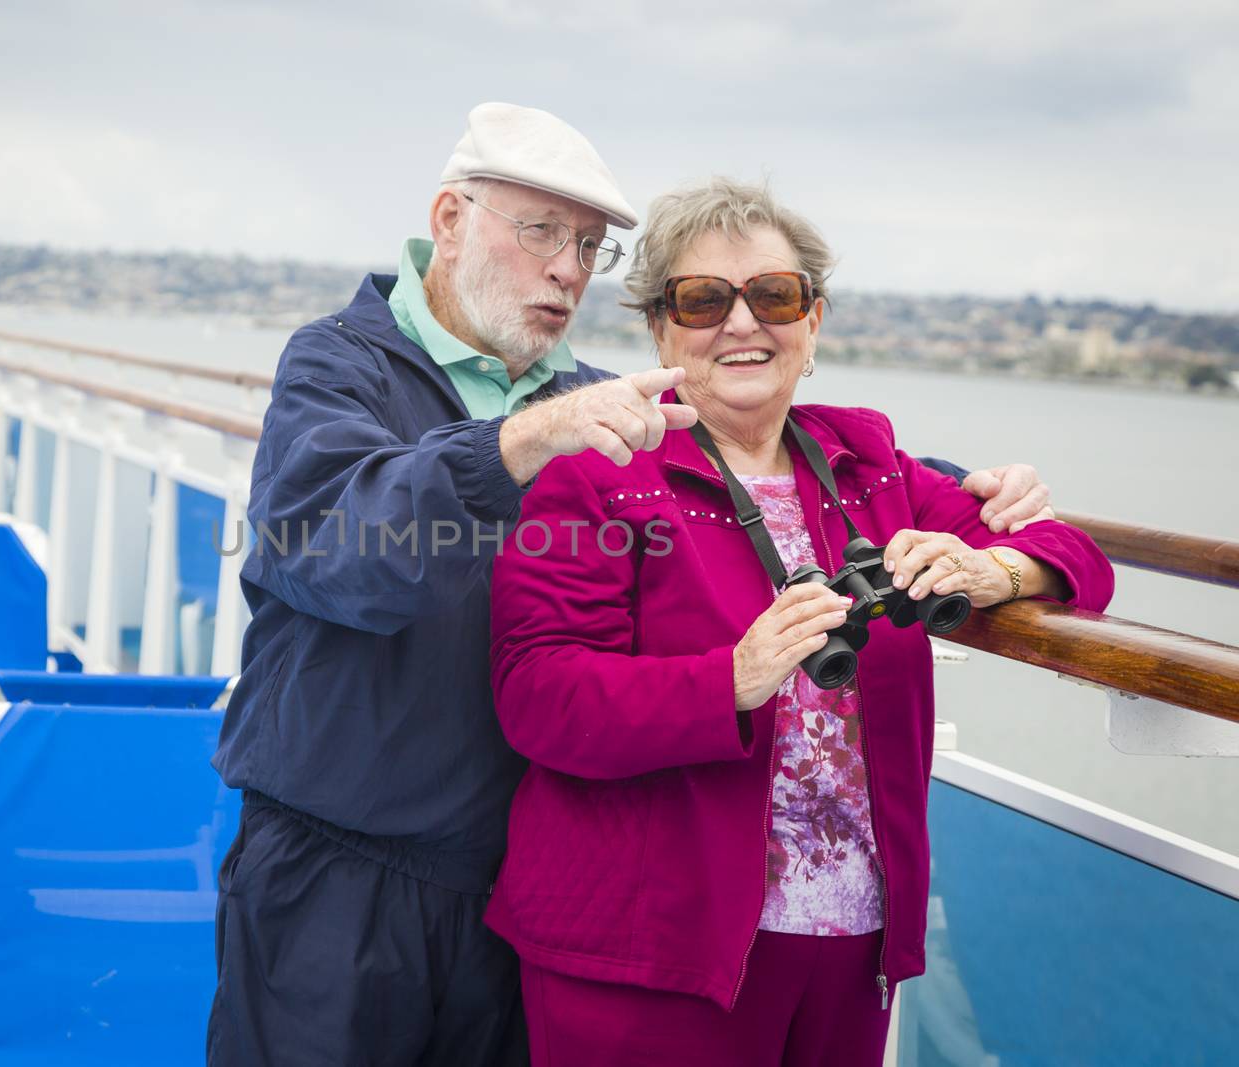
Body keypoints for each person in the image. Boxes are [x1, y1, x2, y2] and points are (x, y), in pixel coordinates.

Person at [207, 105, 1056, 1067]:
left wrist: (979, 495)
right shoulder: (341, 366)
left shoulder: (606, 405)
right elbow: (327, 547)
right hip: (342, 864)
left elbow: (781, 460)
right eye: (541, 233)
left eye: (590, 245)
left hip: (508, 881)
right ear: (449, 220)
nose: (567, 267)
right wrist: (520, 442)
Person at [484, 176, 1116, 1067]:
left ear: (812, 323)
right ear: (661, 331)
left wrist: (993, 569)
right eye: (704, 300)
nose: (742, 324)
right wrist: (730, 678)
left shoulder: (869, 467)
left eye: (773, 295)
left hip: (852, 939)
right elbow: (536, 694)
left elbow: (1076, 554)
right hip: (650, 950)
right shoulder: (599, 473)